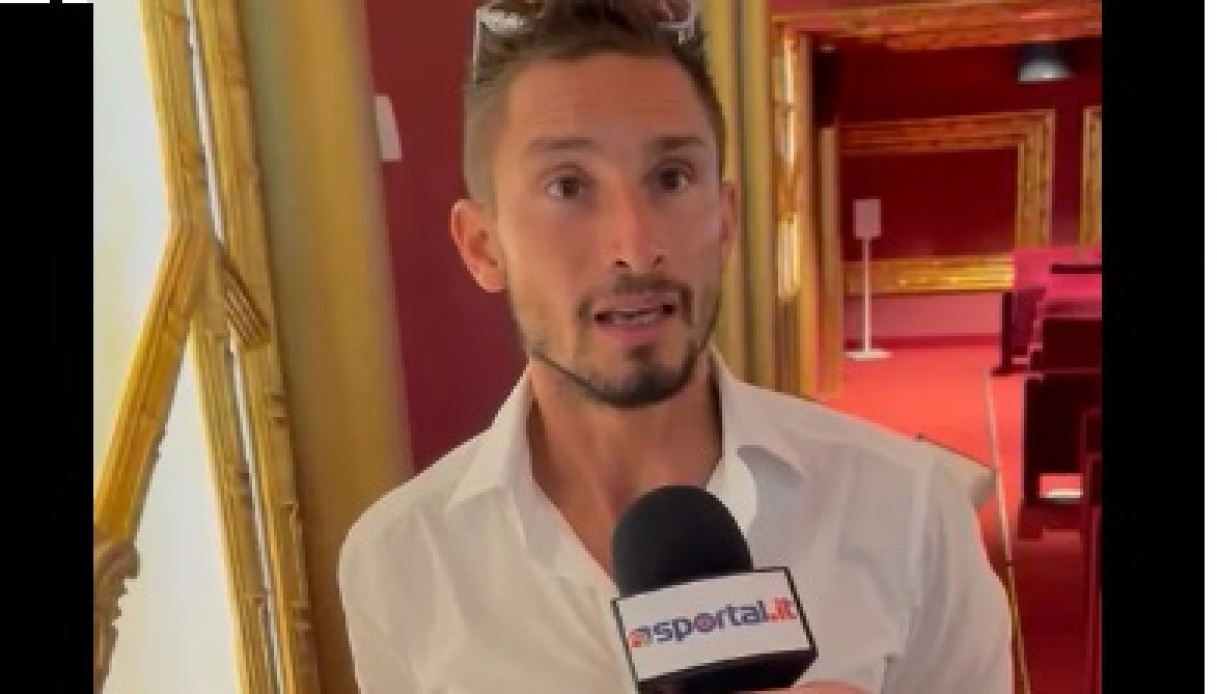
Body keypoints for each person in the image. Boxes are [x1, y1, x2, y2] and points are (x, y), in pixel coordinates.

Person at [338, 1, 1014, 692]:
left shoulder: (908, 509)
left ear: (724, 220)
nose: (635, 248)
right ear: (483, 247)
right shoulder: (399, 559)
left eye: (671, 178)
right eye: (568, 186)